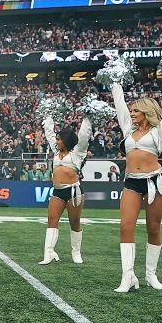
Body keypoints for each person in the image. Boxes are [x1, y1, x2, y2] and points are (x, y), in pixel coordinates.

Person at [109, 72, 162, 292]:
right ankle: (127, 277)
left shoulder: (159, 131)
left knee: (153, 228)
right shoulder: (128, 130)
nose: (132, 113)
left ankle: (150, 275)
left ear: (146, 113)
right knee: (125, 226)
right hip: (131, 183)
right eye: (132, 110)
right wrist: (115, 81)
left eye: (136, 110)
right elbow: (119, 106)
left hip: (155, 183)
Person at [40, 113, 91, 265]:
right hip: (57, 191)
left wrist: (87, 119)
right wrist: (48, 115)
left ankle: (76, 252)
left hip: (73, 191)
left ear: (66, 141)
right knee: (51, 219)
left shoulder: (78, 153)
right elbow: (49, 133)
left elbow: (83, 136)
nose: (56, 141)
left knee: (74, 222)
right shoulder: (56, 153)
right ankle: (48, 252)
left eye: (59, 139)